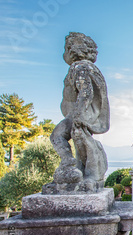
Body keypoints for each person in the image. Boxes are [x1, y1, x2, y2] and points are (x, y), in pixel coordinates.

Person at [49, 32, 110, 189]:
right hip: (77, 112)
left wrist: (79, 113)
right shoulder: (83, 67)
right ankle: (71, 164)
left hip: (80, 112)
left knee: (79, 138)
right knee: (65, 136)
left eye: (68, 47)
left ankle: (91, 175)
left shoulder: (80, 67)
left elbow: (86, 92)